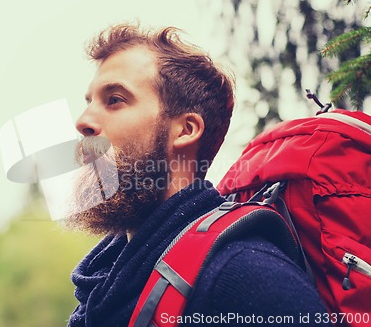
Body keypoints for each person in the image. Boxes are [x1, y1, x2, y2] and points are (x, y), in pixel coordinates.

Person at [65, 24, 331, 327]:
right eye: (89, 102)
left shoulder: (243, 275)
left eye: (114, 99)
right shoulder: (101, 284)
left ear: (185, 130)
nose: (83, 121)